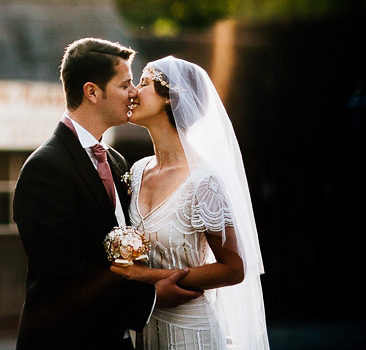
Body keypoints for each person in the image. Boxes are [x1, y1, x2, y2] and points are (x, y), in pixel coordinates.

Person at [13, 38, 201, 350]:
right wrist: (152, 296)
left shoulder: (115, 161)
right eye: (126, 84)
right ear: (92, 92)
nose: (133, 92)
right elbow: (64, 274)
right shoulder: (45, 169)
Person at [114, 56, 269, 350]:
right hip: (144, 330)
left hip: (190, 334)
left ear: (170, 100)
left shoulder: (202, 180)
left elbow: (233, 268)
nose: (133, 91)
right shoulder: (136, 172)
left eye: (144, 84)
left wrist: (147, 276)